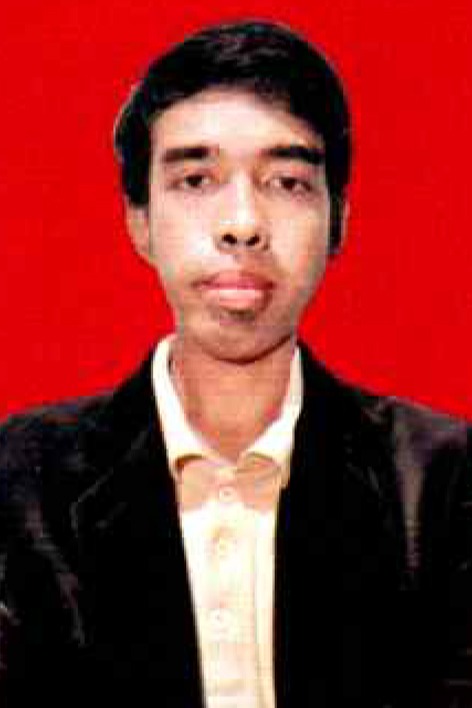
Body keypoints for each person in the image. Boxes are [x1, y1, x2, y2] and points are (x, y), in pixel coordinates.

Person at [0, 19, 470, 708]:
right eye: (197, 179)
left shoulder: (443, 483)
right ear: (139, 220)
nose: (242, 224)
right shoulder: (18, 483)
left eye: (287, 182)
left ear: (339, 219)